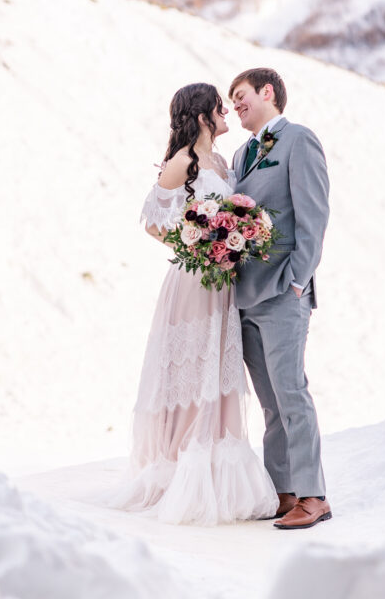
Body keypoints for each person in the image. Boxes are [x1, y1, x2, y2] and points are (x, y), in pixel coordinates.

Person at [103, 82, 277, 525]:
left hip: (222, 283)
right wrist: (195, 245)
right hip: (193, 281)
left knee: (217, 371)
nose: (226, 113)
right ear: (203, 116)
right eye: (219, 107)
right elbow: (153, 223)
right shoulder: (183, 161)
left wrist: (231, 239)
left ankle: (217, 472)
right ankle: (182, 468)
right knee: (191, 370)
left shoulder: (219, 161)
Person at [229, 67, 331, 529]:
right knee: (270, 403)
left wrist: (297, 280)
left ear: (267, 91)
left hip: (283, 292)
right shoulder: (240, 154)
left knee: (291, 394)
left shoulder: (298, 140)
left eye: (241, 94)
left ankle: (314, 496)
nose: (235, 104)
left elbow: (314, 214)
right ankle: (283, 491)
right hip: (245, 294)